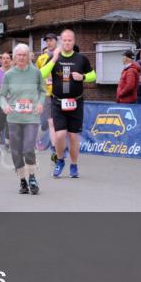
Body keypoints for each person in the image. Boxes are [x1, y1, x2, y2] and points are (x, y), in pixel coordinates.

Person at [40, 29, 95, 179]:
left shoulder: (81, 59)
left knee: (73, 136)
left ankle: (74, 165)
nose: (67, 43)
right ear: (60, 42)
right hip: (58, 102)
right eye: (64, 40)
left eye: (70, 40)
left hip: (76, 102)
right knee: (59, 135)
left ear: (74, 41)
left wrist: (82, 76)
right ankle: (60, 160)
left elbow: (93, 75)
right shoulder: (53, 57)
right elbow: (42, 74)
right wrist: (53, 59)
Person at [0, 43, 46, 195]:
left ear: (28, 57)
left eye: (24, 55)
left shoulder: (35, 72)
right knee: (16, 152)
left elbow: (42, 91)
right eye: (18, 55)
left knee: (27, 149)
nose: (21, 57)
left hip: (31, 117)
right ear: (14, 57)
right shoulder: (9, 75)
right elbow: (1, 96)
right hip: (14, 118)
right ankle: (22, 181)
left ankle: (32, 177)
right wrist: (5, 105)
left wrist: (40, 104)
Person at [34, 33, 58, 155]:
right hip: (47, 94)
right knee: (49, 122)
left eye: (51, 40)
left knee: (56, 122)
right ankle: (52, 147)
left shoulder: (62, 56)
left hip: (60, 94)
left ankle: (57, 146)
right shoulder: (41, 59)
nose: (49, 43)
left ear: (56, 41)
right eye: (47, 41)